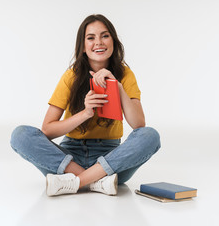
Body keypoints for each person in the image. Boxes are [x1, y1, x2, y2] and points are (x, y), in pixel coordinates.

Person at [10, 14, 160, 197]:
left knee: (150, 135)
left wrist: (118, 87)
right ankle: (98, 182)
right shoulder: (71, 76)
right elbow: (48, 130)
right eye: (91, 38)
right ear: (82, 47)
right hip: (69, 157)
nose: (99, 42)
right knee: (21, 135)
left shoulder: (125, 74)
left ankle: (76, 182)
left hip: (110, 157)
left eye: (105, 36)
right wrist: (85, 113)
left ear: (113, 41)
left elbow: (138, 125)